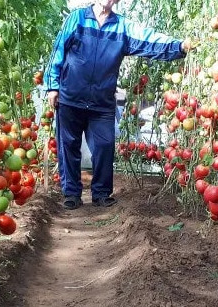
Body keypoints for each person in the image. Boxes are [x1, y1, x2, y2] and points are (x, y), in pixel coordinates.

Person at [45, 0, 192, 209]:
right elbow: (58, 50)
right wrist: (52, 86)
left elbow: (148, 41)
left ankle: (102, 193)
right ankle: (71, 193)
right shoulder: (77, 19)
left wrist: (180, 46)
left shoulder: (122, 27)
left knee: (104, 146)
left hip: (101, 102)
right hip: (71, 98)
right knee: (68, 145)